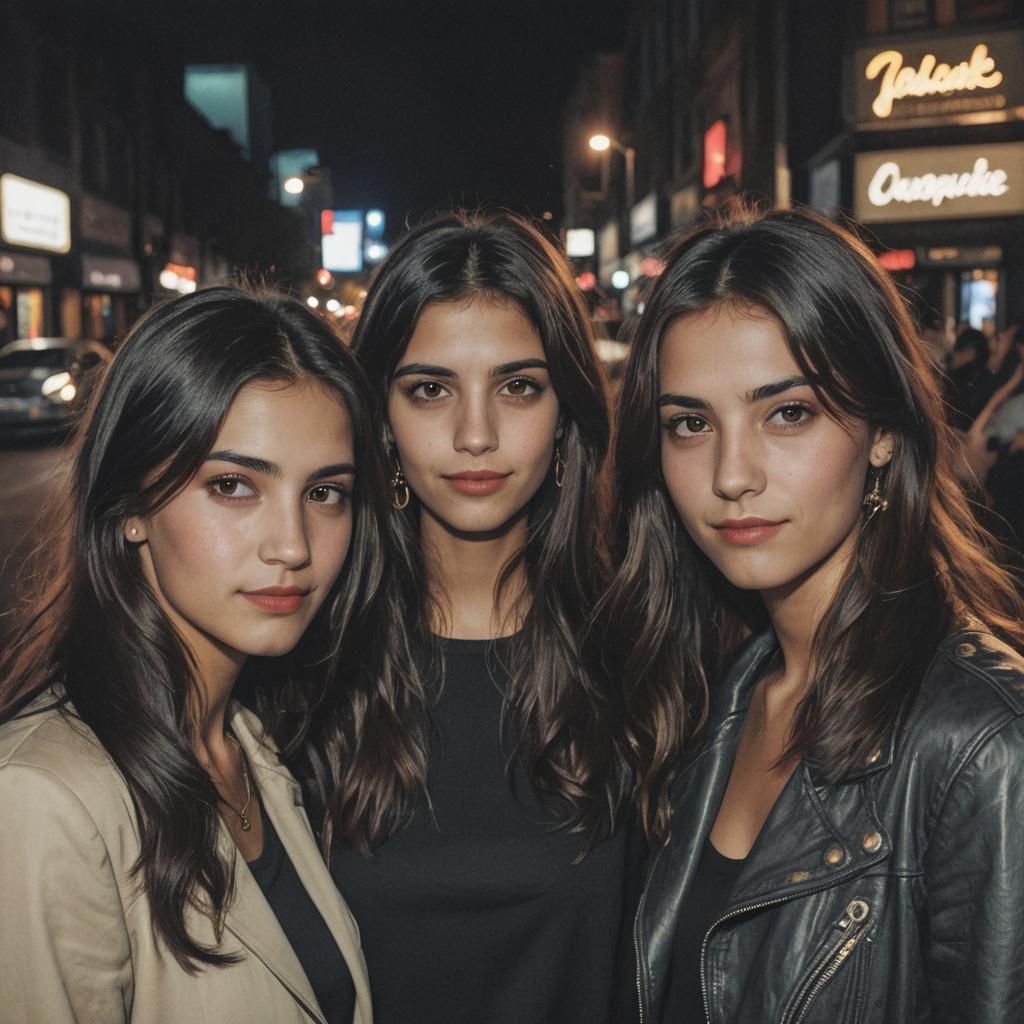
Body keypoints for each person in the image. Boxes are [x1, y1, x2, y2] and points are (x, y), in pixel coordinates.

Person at [608, 204, 1024, 1022]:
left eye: (787, 413)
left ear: (883, 432)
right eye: (690, 424)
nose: (732, 474)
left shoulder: (984, 748)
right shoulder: (711, 694)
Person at [0, 286, 384, 1024]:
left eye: (325, 493)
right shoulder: (42, 801)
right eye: (233, 485)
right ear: (131, 507)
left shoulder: (249, 744)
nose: (293, 546)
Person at [296, 210, 629, 1024]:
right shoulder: (300, 670)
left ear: (565, 415)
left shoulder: (644, 656)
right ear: (379, 418)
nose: (475, 434)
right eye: (429, 389)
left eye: (518, 387)